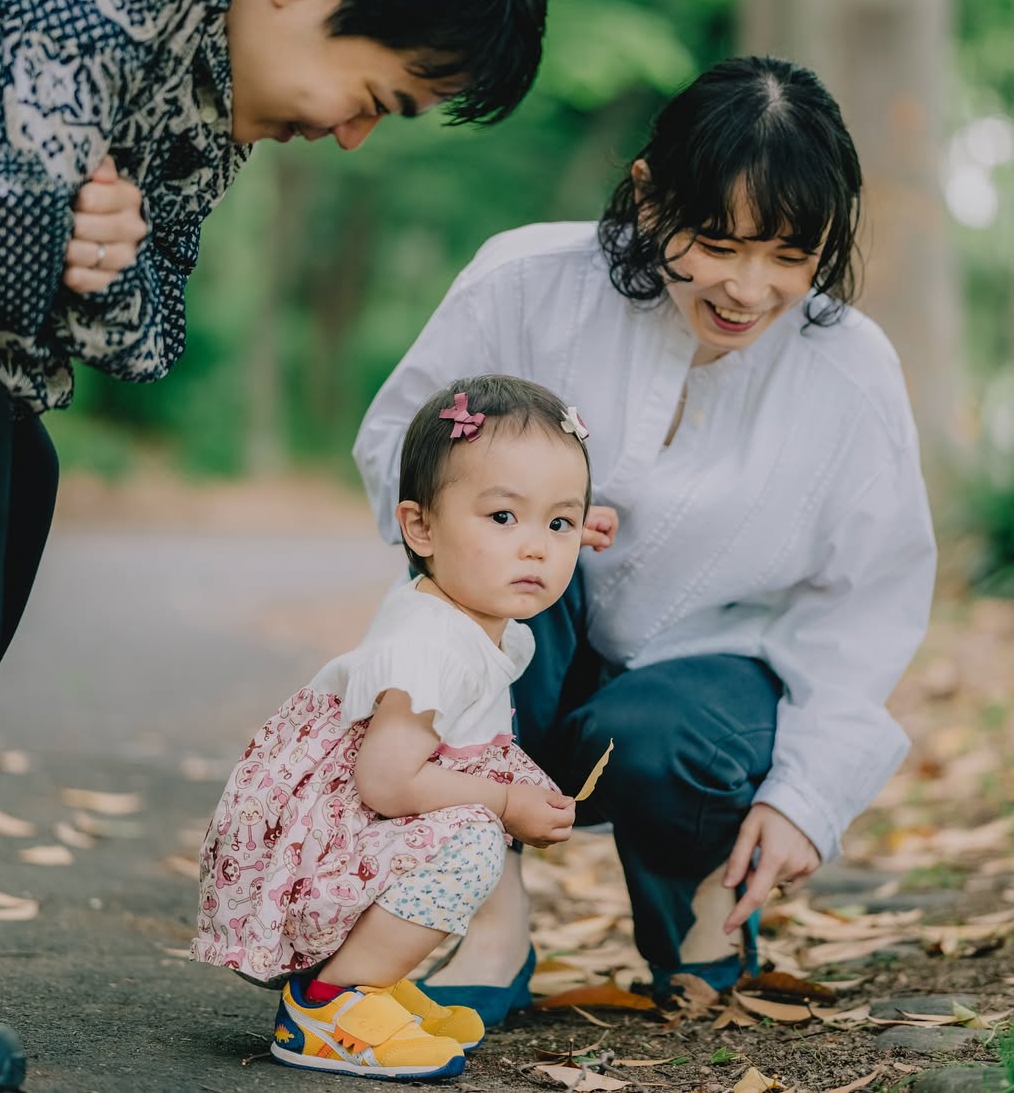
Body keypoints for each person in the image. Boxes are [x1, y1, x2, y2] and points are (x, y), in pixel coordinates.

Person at [0, 0, 547, 1086]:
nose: (353, 136)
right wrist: (46, 227)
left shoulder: (200, 46)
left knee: (13, 476)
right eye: (376, 96)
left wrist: (85, 241)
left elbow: (144, 326)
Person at [353, 56, 937, 1018]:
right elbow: (399, 452)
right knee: (500, 566)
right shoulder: (524, 283)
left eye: (790, 255)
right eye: (718, 242)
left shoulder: (852, 371)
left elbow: (868, 603)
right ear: (648, 196)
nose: (748, 287)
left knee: (665, 733)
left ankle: (701, 905)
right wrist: (533, 516)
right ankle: (491, 912)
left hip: (704, 690)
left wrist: (806, 795)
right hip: (522, 658)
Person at [190, 376, 584, 1078]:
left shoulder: (469, 614)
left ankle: (370, 979)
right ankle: (330, 1002)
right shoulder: (432, 644)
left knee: (469, 831)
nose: (537, 548)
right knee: (469, 839)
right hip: (334, 823)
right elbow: (386, 781)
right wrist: (504, 801)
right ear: (420, 527)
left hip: (354, 818)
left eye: (560, 524)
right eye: (503, 517)